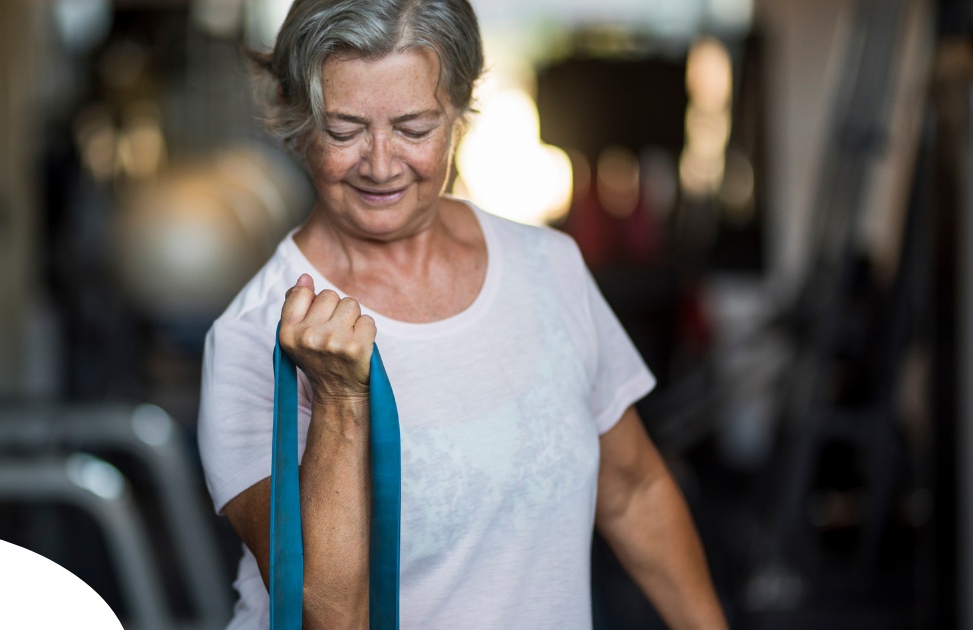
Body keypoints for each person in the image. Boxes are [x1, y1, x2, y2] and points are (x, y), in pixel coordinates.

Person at [197, 0, 728, 627]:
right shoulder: (252, 336)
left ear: (461, 110)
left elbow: (633, 489)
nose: (381, 163)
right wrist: (340, 402)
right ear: (296, 116)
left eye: (415, 128)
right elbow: (330, 614)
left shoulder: (547, 266)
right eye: (343, 130)